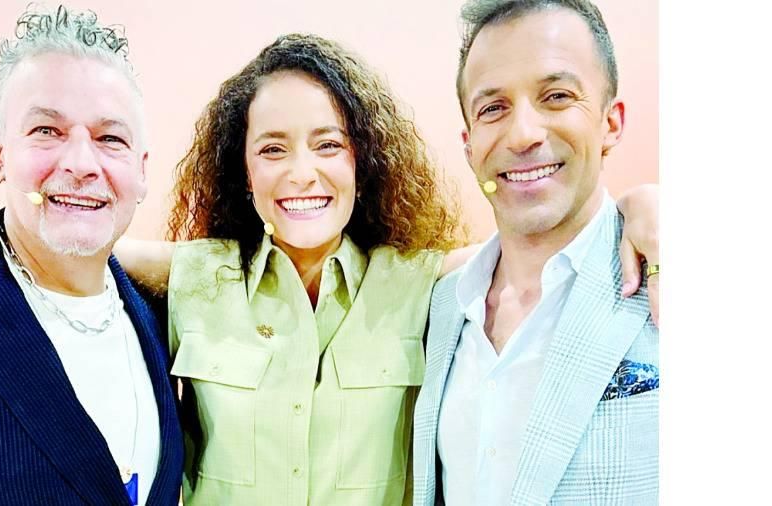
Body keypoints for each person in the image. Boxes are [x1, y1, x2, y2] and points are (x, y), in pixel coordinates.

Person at [116, 29, 659, 504]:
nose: (302, 173)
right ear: (245, 172)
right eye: (273, 150)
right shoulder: (195, 278)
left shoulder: (422, 284)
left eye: (328, 145)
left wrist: (642, 207)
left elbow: (541, 245)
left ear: (363, 162)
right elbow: (87, 247)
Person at [412, 1, 659, 504]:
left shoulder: (667, 271)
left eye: (557, 96)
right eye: (493, 108)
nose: (523, 134)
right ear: (469, 145)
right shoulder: (442, 307)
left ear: (611, 122)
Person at [0, 5, 183, 505]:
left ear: (141, 171)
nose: (80, 164)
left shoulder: (160, 313)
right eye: (46, 131)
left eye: (109, 138)